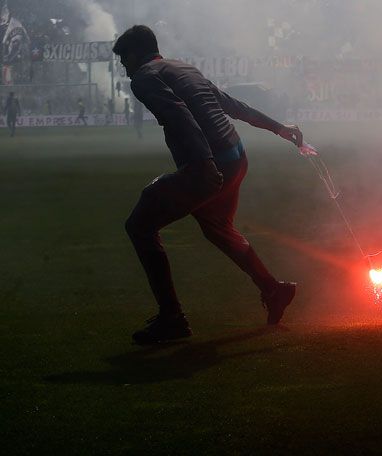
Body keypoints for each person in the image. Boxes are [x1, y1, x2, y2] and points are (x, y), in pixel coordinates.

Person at [114, 25, 303, 345]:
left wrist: (202, 163)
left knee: (140, 225)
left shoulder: (144, 77)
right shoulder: (183, 68)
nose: (123, 66)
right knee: (216, 226)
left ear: (136, 53)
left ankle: (172, 318)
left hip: (210, 163)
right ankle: (273, 290)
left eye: (123, 59)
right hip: (236, 156)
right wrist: (279, 128)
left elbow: (178, 114)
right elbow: (231, 105)